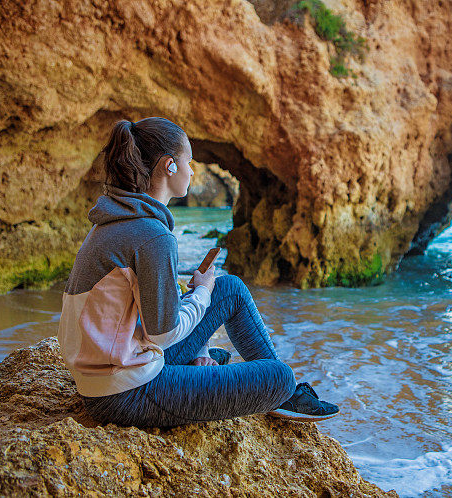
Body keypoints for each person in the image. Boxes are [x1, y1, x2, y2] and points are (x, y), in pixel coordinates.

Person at [57, 117, 338, 427]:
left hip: (109, 375)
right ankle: (282, 394)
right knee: (279, 377)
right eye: (188, 161)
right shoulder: (151, 235)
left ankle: (265, 390)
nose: (191, 170)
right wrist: (202, 292)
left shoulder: (117, 220)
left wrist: (200, 344)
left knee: (228, 288)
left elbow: (147, 313)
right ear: (169, 166)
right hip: (125, 392)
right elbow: (163, 334)